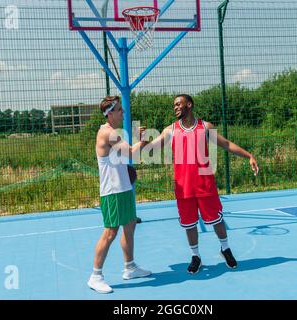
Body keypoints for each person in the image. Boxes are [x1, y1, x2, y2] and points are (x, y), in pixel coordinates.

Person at [144, 94, 259, 274]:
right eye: (173, 105)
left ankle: (225, 249)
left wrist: (249, 156)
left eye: (178, 104)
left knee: (216, 220)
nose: (175, 107)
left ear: (189, 105)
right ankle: (195, 256)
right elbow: (151, 149)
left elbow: (226, 144)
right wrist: (143, 141)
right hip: (184, 187)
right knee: (190, 224)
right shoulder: (170, 130)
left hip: (205, 184)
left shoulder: (205, 127)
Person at [88, 96, 151, 294]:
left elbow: (126, 156)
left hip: (123, 189)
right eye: (120, 110)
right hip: (112, 193)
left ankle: (130, 267)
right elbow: (132, 153)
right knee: (110, 232)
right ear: (111, 113)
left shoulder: (115, 133)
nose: (123, 113)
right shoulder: (107, 133)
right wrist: (142, 141)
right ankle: (95, 276)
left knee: (130, 225)